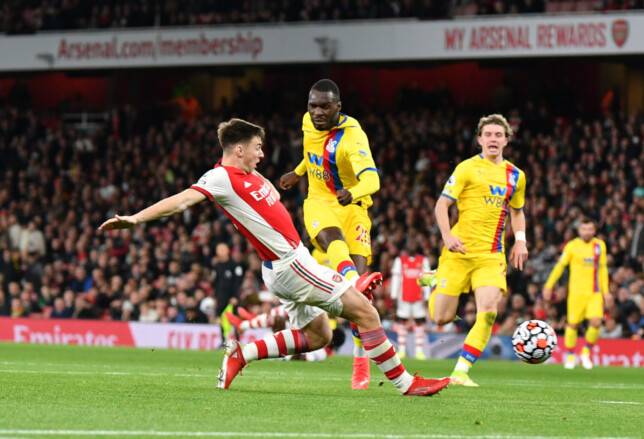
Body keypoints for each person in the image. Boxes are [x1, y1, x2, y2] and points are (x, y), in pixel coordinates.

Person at [99, 118, 448, 397]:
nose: (262, 154)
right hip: (290, 264)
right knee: (366, 312)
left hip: (286, 265)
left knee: (318, 336)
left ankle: (242, 354)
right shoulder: (221, 177)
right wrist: (135, 219)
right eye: (257, 148)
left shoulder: (250, 175)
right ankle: (406, 384)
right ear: (239, 150)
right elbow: (181, 200)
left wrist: (293, 175)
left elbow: (273, 200)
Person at [279, 79, 381, 390]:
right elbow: (313, 151)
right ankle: (353, 281)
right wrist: (298, 173)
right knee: (333, 241)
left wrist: (353, 192)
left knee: (360, 303)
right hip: (320, 202)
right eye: (313, 106)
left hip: (354, 207)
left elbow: (373, 180)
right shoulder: (307, 122)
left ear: (338, 107)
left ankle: (360, 360)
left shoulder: (353, 137)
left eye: (325, 106)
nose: (318, 112)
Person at [417, 113, 528, 387]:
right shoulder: (466, 168)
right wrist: (446, 236)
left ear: (506, 140)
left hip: (491, 256)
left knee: (488, 312)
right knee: (441, 318)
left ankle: (461, 371)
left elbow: (517, 211)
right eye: (488, 135)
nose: (493, 139)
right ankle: (436, 279)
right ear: (480, 139)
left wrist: (521, 240)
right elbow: (442, 205)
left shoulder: (516, 176)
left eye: (498, 135)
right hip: (459, 251)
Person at [543, 217, 611, 370]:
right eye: (584, 229)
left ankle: (585, 352)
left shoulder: (599, 245)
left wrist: (606, 291)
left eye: (590, 229)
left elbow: (602, 269)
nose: (587, 232)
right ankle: (570, 355)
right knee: (573, 325)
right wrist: (548, 285)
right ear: (579, 230)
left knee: (596, 322)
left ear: (594, 230)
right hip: (576, 294)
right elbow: (560, 266)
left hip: (594, 292)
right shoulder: (572, 246)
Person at [390, 241, 431, 359]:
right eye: (410, 244)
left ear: (417, 246)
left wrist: (427, 296)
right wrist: (394, 295)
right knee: (402, 321)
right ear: (406, 247)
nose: (412, 246)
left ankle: (419, 351)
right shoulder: (400, 260)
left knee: (419, 322)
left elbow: (426, 279)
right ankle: (402, 350)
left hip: (419, 297)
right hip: (404, 297)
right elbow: (396, 279)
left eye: (414, 244)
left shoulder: (423, 260)